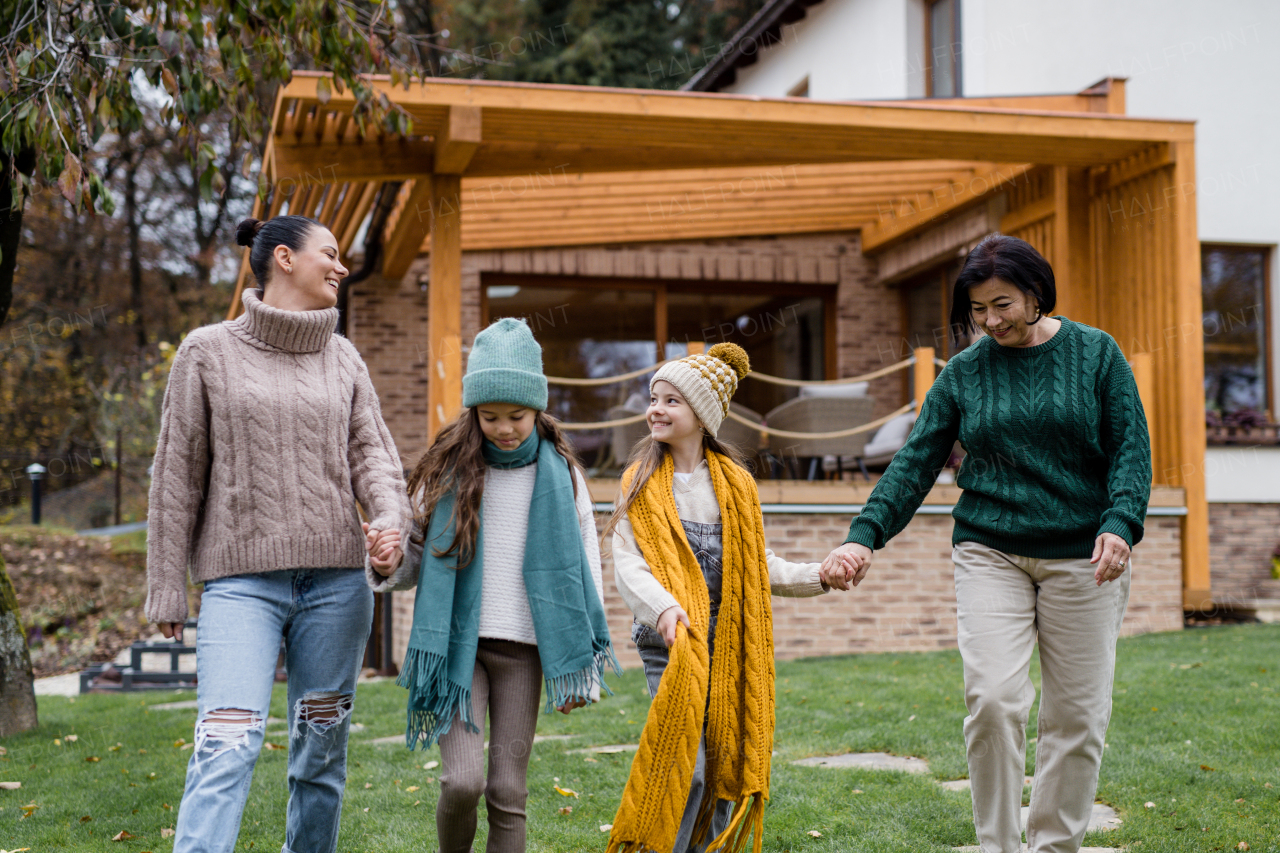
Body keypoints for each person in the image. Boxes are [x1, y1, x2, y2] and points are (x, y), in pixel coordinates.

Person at [823, 234, 1152, 853]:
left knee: (1077, 718)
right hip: (990, 549)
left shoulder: (1096, 353)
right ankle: (997, 845)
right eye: (978, 310)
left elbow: (1132, 448)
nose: (990, 321)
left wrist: (1120, 522)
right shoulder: (966, 372)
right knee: (996, 701)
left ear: (1036, 295)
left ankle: (1053, 845)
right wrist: (863, 538)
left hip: (1084, 555)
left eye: (1002, 305)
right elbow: (916, 461)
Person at [145, 215, 410, 853]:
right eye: (332, 254)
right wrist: (166, 587)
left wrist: (391, 526)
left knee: (321, 752)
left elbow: (374, 458)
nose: (342, 267)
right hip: (240, 587)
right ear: (285, 259)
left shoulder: (344, 357)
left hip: (337, 586)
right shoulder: (206, 351)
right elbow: (177, 474)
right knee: (227, 742)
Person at [363, 317, 618, 853]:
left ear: (538, 410)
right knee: (462, 783)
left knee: (507, 788)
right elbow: (416, 562)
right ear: (473, 412)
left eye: (516, 416)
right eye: (490, 416)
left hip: (524, 652)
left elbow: (585, 568)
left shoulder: (563, 475)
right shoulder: (448, 471)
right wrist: (388, 568)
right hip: (459, 650)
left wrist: (583, 668)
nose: (504, 428)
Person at [604, 343, 847, 853]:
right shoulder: (641, 482)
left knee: (719, 769)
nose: (656, 408)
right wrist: (665, 607)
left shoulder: (735, 485)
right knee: (683, 766)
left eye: (672, 401)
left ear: (703, 417)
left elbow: (759, 566)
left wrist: (818, 576)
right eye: (654, 398)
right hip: (668, 644)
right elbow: (628, 563)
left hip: (726, 646)